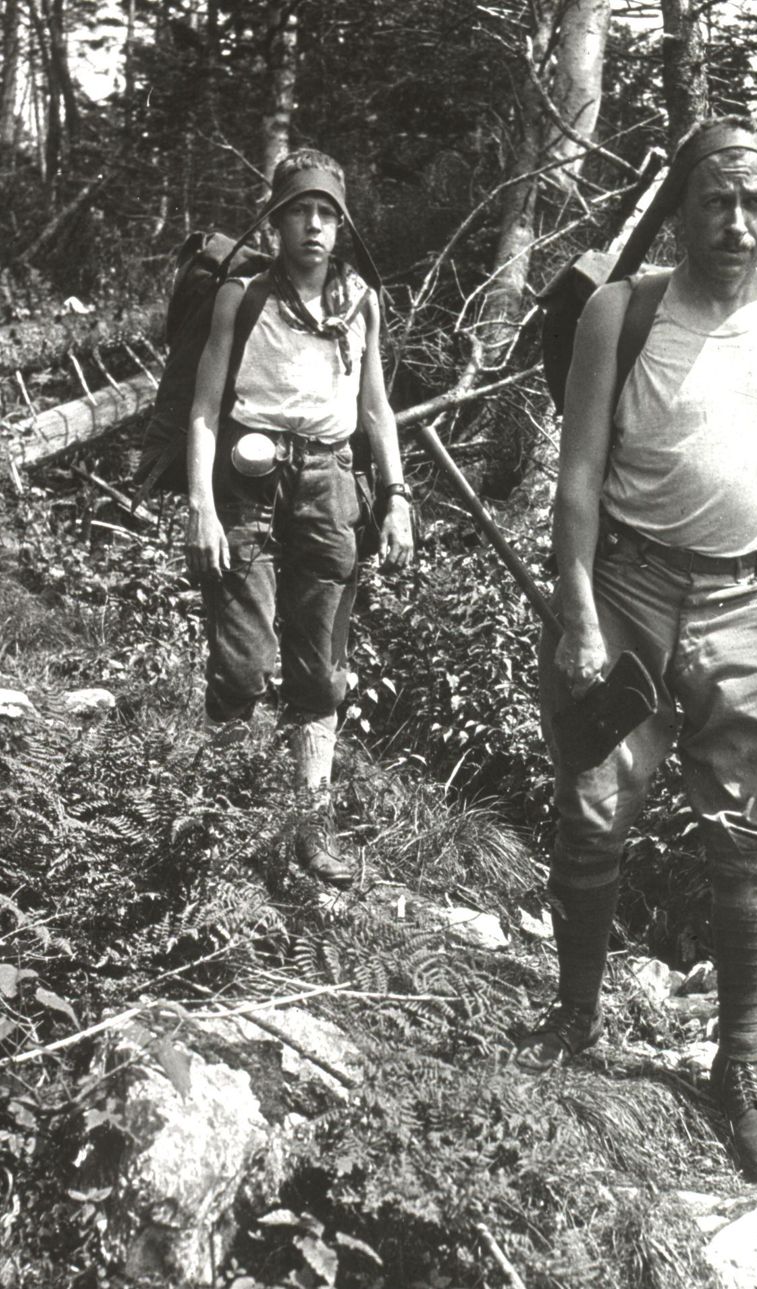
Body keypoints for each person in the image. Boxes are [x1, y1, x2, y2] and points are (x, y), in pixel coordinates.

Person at [517, 116, 757, 1180]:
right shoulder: (617, 314)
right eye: (714, 198)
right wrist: (579, 609)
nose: (733, 219)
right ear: (680, 207)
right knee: (590, 808)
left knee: (747, 839)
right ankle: (575, 1021)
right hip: (629, 590)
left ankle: (740, 1071)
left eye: (753, 200)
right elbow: (577, 474)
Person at [186, 148, 414, 885]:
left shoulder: (361, 301)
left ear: (341, 224)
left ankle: (309, 829)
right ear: (277, 220)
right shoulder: (243, 296)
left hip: (330, 482)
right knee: (244, 664)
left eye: (327, 213)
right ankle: (210, 822)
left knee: (319, 668)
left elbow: (376, 408)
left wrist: (398, 495)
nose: (313, 226)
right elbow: (202, 408)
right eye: (300, 212)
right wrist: (202, 507)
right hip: (248, 483)